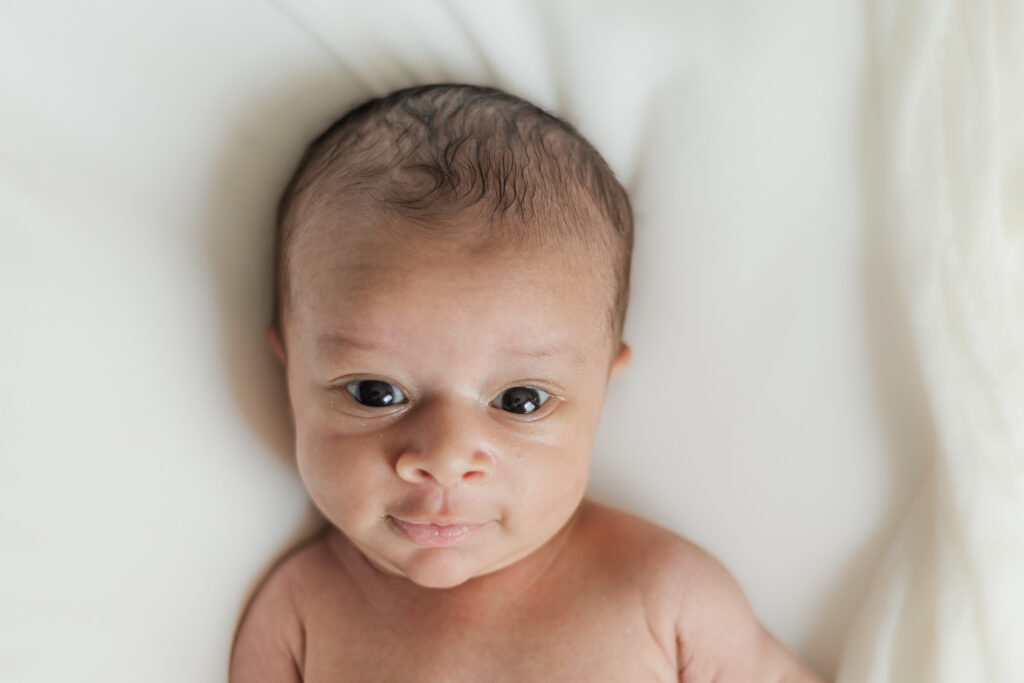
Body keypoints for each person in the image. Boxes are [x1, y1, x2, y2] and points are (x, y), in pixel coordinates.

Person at [229, 83, 821, 682]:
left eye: (521, 400)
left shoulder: (666, 594)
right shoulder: (297, 614)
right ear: (291, 374)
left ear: (602, 392)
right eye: (375, 393)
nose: (446, 459)